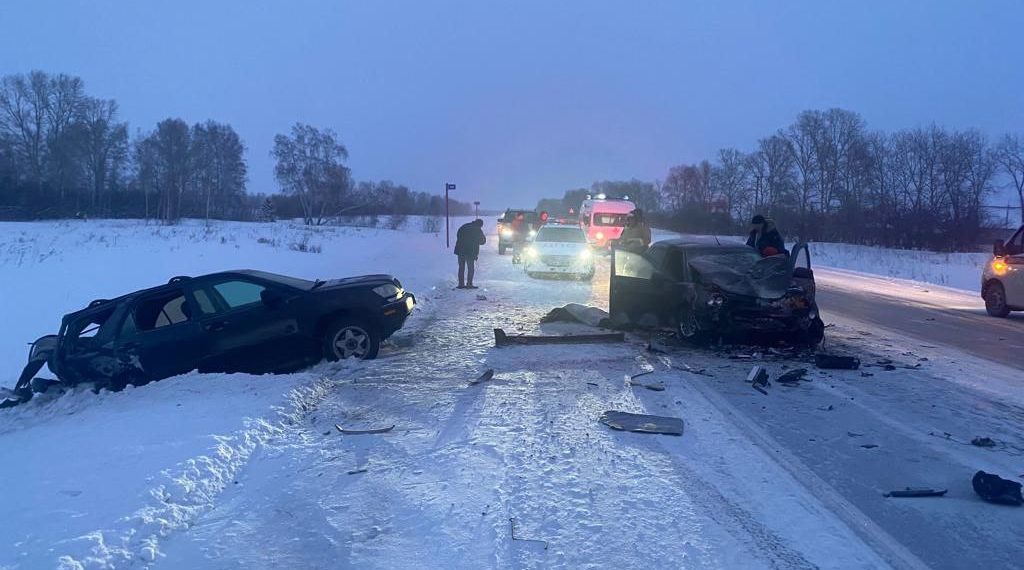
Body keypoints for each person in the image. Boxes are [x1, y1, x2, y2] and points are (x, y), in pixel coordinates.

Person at [454, 219, 486, 289]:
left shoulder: (464, 226)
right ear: (480, 225)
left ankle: (461, 284)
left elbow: (458, 235)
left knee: (461, 267)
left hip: (460, 250)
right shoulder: (478, 230)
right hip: (470, 251)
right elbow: (483, 241)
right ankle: (469, 284)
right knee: (470, 268)